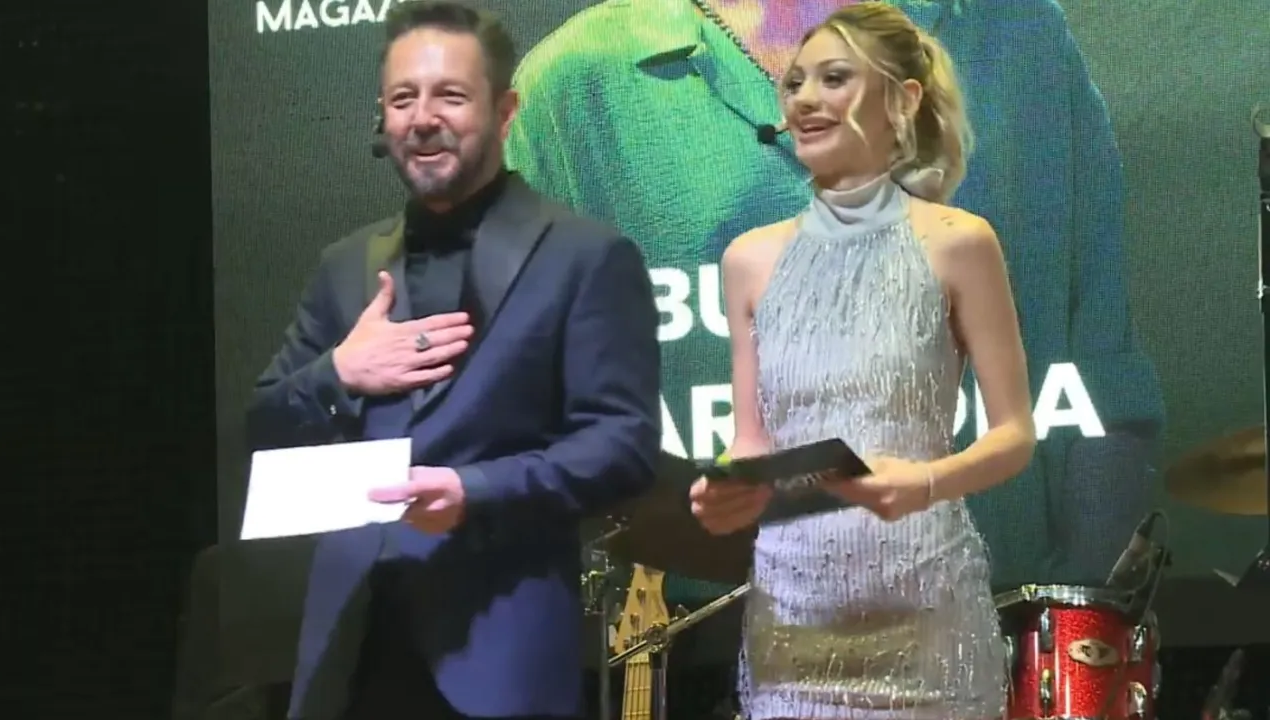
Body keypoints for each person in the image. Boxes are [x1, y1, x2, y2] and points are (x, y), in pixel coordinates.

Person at [505, 0, 1163, 604]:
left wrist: (1075, 623)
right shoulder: (576, 87)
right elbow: (739, 446)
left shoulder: (1013, 57)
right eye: (796, 88)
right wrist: (738, 499)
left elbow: (1075, 399)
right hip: (751, 629)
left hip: (970, 618)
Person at [245, 2, 661, 718]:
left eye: (451, 95)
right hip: (351, 655)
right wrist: (339, 373)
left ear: (505, 112)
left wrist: (475, 490)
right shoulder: (344, 266)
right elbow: (264, 426)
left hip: (501, 653)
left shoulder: (586, 257)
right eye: (403, 98)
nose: (422, 118)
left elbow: (622, 445)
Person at [687, 4, 1035, 718]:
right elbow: (753, 442)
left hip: (927, 616)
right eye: (795, 84)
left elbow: (1014, 435)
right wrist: (725, 488)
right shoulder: (748, 259)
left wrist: (928, 480)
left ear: (902, 101)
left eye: (834, 78)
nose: (805, 99)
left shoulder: (959, 242)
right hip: (793, 623)